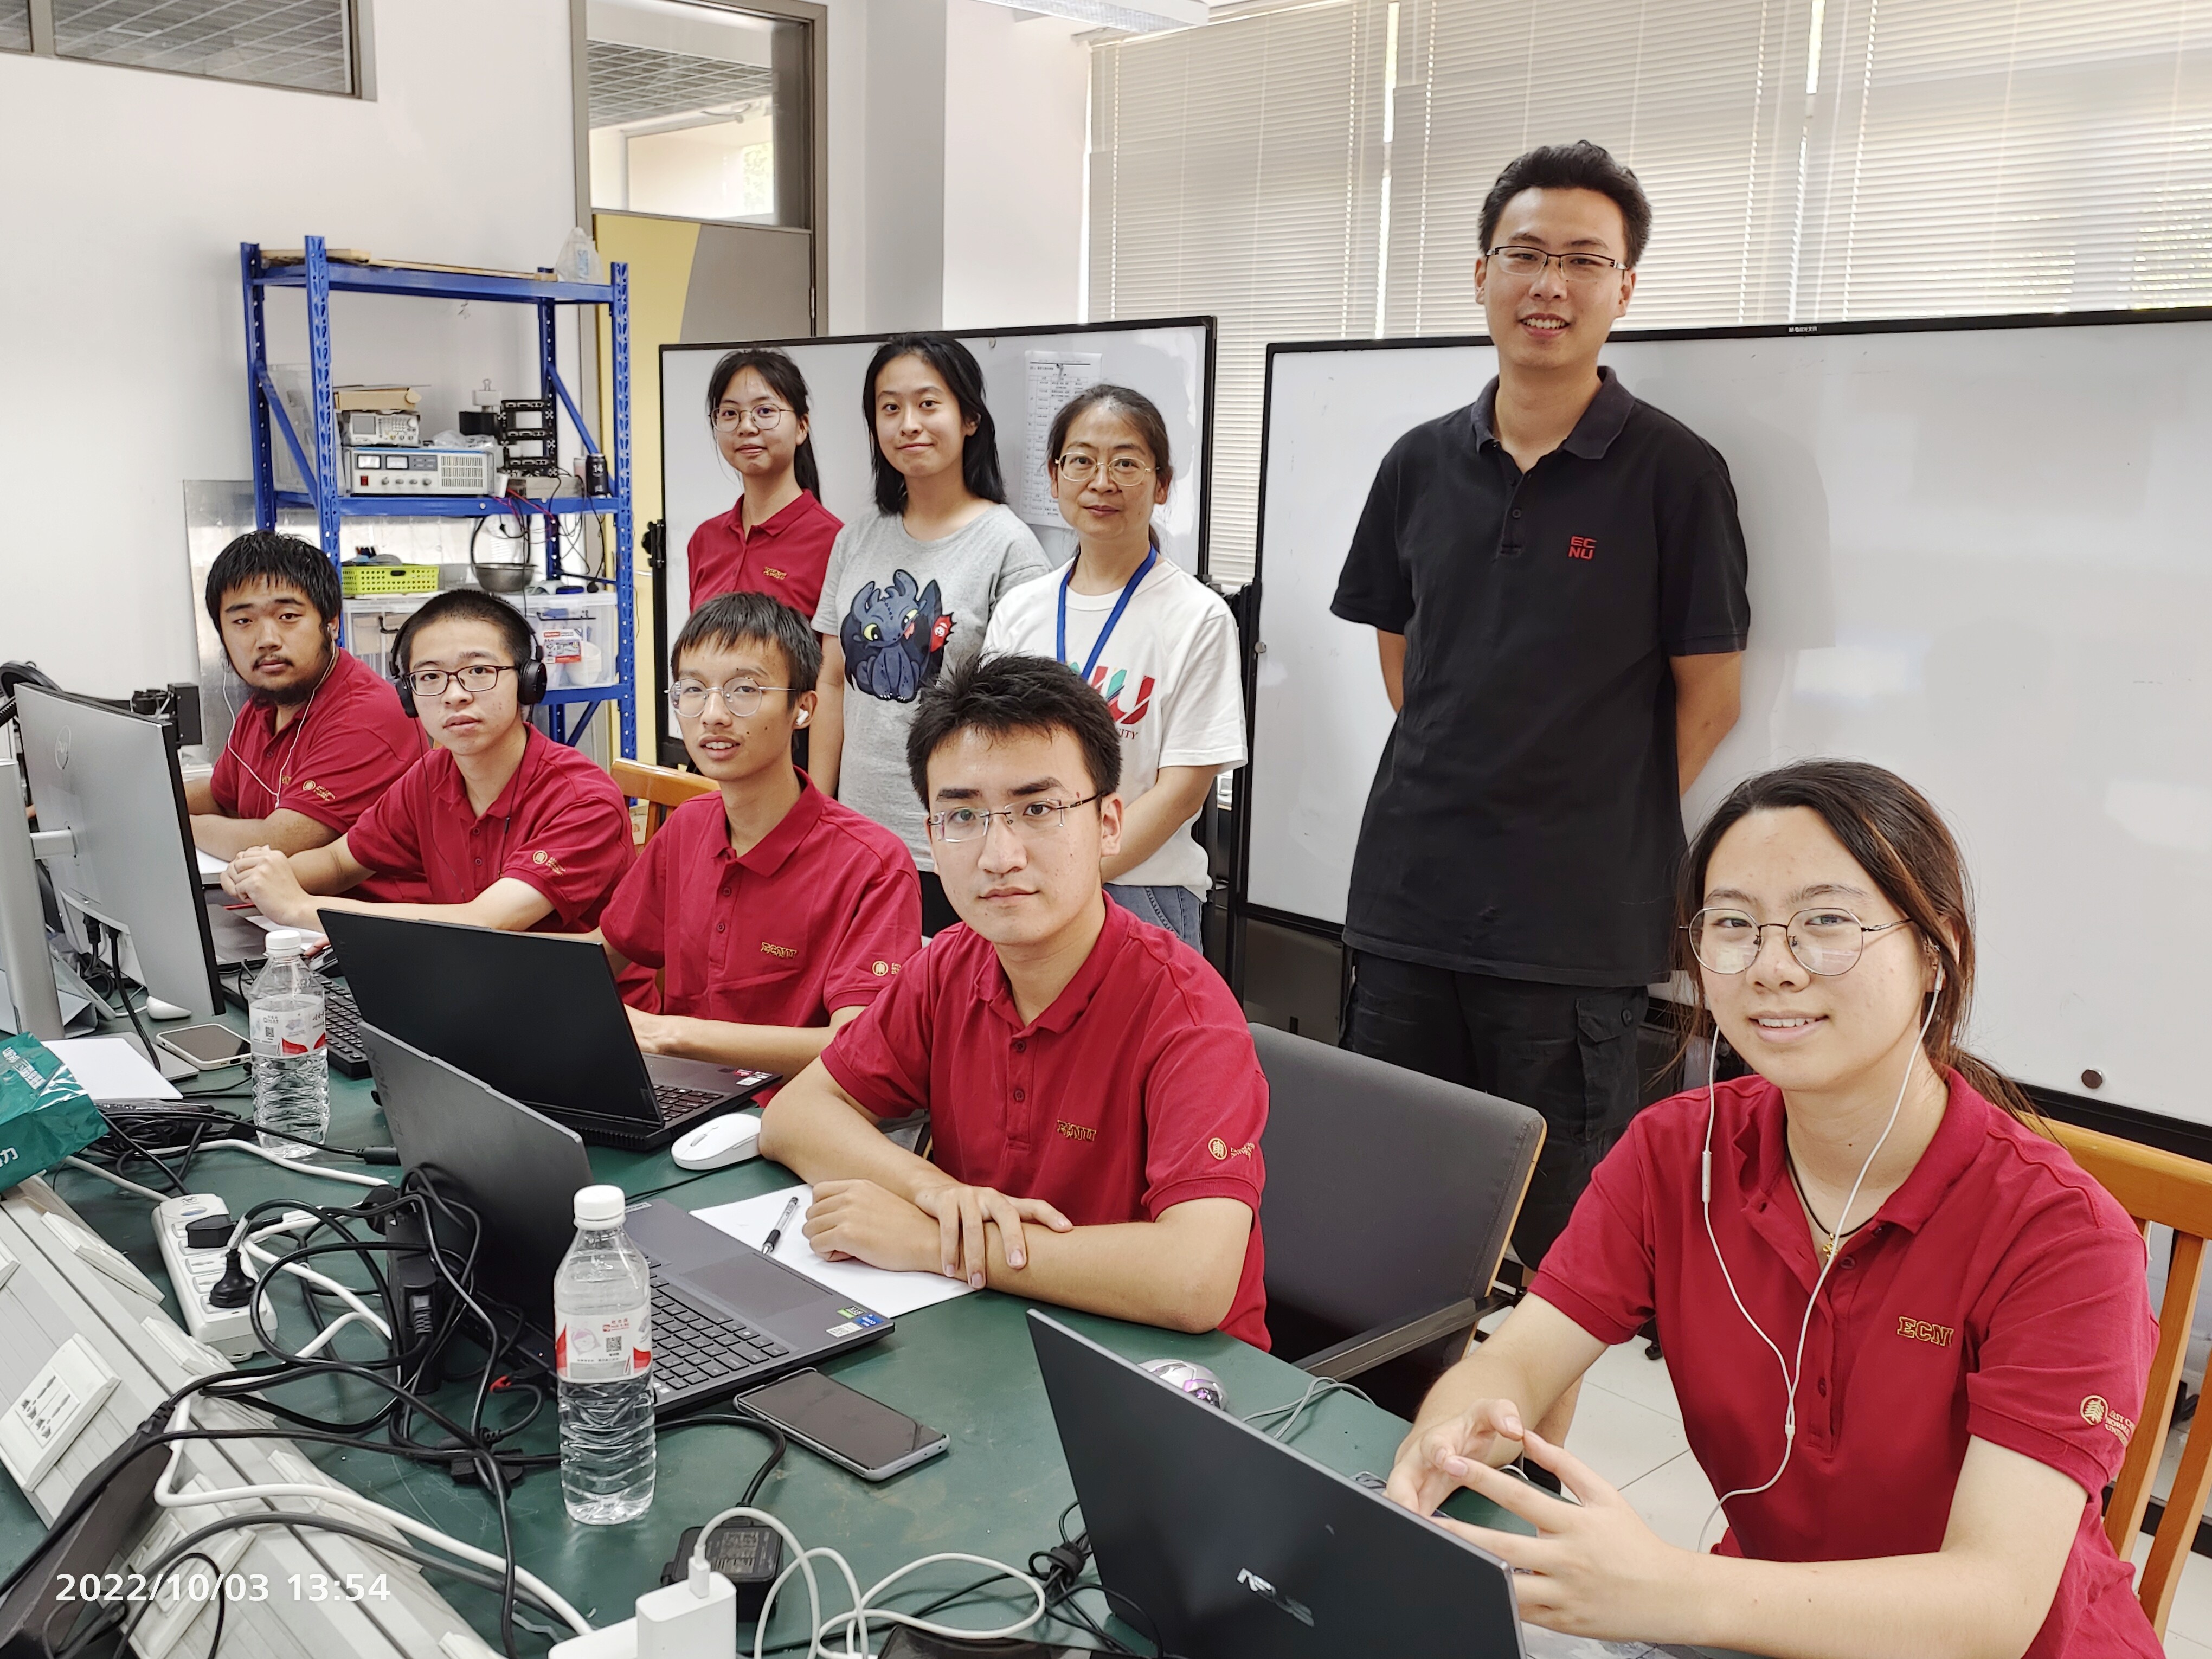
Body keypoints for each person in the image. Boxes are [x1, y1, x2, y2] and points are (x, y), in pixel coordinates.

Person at [1385, 761, 2160, 1659]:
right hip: (1761, 1625)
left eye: (1827, 922)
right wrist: (1452, 1431)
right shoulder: (1678, 1153)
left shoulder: (2062, 1237)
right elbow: (1518, 1361)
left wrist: (1665, 1591)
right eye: (1733, 925)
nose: (1773, 968)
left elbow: (1993, 1605)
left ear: (1935, 953)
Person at [1331, 139, 1751, 1276]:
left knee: (1551, 1252)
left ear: (1625, 288)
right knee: (1382, 1214)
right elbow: (1407, 665)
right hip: (1410, 905)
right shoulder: (1418, 464)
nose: (1549, 284)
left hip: (1572, 932)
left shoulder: (1676, 474)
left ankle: (1512, 1408)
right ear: (1482, 274)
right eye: (1525, 254)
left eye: (1583, 260)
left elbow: (1712, 700)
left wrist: (1579, 811)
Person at [757, 653, 1269, 1347]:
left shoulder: (1187, 1014)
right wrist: (936, 1194)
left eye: (1038, 809)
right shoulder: (950, 966)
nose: (999, 855)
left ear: (1108, 824)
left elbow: (1195, 1279)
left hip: (1167, 1374)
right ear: (932, 836)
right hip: (987, 1335)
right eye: (963, 815)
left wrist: (937, 1241)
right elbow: (795, 1116)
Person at [595, 591, 921, 1083]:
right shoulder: (687, 827)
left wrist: (670, 1035)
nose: (713, 714)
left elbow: (860, 1044)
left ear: (803, 709)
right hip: (684, 1096)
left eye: (744, 689)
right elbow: (602, 952)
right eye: (693, 689)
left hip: (794, 1110)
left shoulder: (872, 864)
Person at [222, 589, 639, 960]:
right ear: (409, 696)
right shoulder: (430, 777)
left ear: (529, 681)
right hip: (464, 982)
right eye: (430, 677)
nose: (454, 695)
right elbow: (339, 861)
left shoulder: (582, 799)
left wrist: (298, 908)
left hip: (581, 1008)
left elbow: (485, 923)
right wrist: (262, 876)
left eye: (479, 671)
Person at [984, 385, 1244, 954]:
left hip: (1142, 889)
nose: (1102, 482)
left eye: (1126, 463)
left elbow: (1182, 792)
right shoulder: (1020, 611)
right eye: (1081, 461)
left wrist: (1074, 875)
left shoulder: (1197, 617)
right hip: (1026, 882)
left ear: (1161, 484)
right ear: (1055, 479)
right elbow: (995, 756)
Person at [809, 333, 1048, 935]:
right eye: (890, 408)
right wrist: (819, 809)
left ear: (969, 419)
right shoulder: (856, 539)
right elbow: (832, 682)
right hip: (858, 839)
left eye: (928, 404)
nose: (908, 424)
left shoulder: (1009, 547)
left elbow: (1019, 716)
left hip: (955, 845)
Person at [185, 532, 425, 890]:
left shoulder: (367, 716)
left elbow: (280, 843)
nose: (267, 640)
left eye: (288, 616)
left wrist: (175, 823)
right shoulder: (265, 703)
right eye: (243, 622)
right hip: (279, 909)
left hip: (362, 917)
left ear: (332, 623)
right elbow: (223, 798)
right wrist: (148, 799)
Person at [686, 348, 842, 622]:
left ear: (802, 427)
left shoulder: (834, 543)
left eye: (765, 411)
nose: (746, 426)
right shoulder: (704, 540)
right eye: (730, 413)